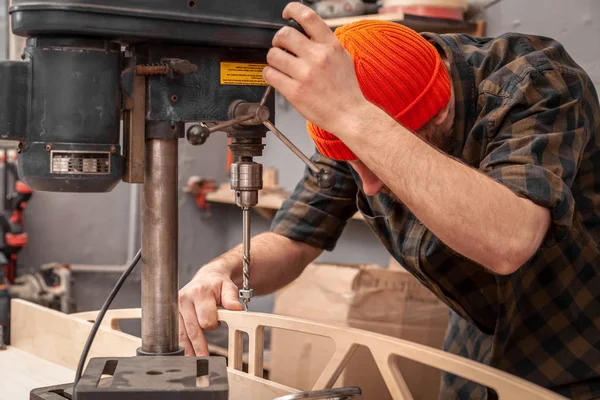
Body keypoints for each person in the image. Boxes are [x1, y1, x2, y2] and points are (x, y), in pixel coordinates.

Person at [178, 3, 600, 399]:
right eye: (350, 161)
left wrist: (355, 117)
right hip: (474, 355)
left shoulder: (536, 83)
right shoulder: (350, 113)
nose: (368, 186)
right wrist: (222, 270)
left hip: (579, 350)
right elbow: (295, 237)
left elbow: (509, 240)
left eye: (372, 160)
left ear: (439, 114)